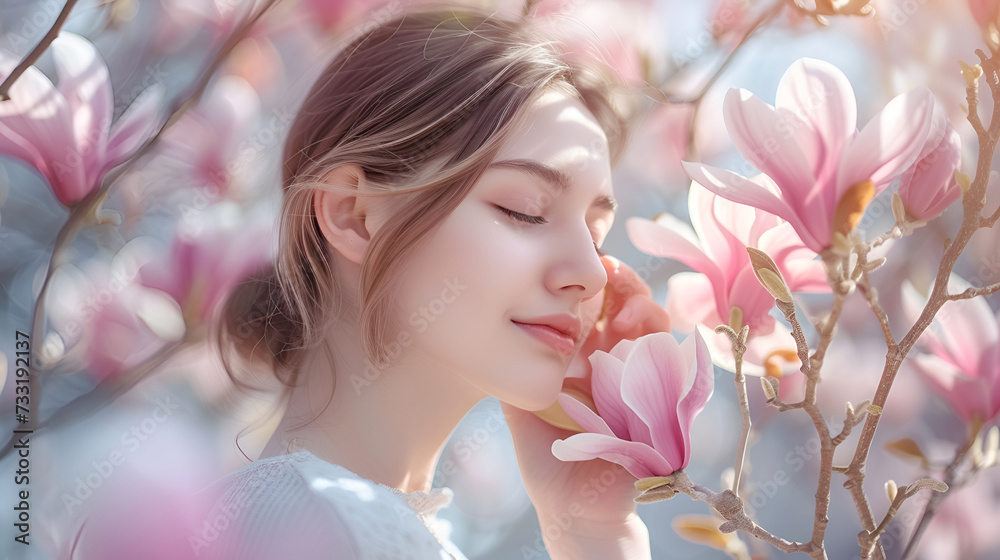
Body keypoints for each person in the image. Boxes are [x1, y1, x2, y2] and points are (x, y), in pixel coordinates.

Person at [203, 6, 671, 559]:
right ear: (356, 215)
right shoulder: (294, 527)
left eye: (596, 235)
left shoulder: (354, 524)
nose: (592, 273)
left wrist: (592, 533)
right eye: (524, 210)